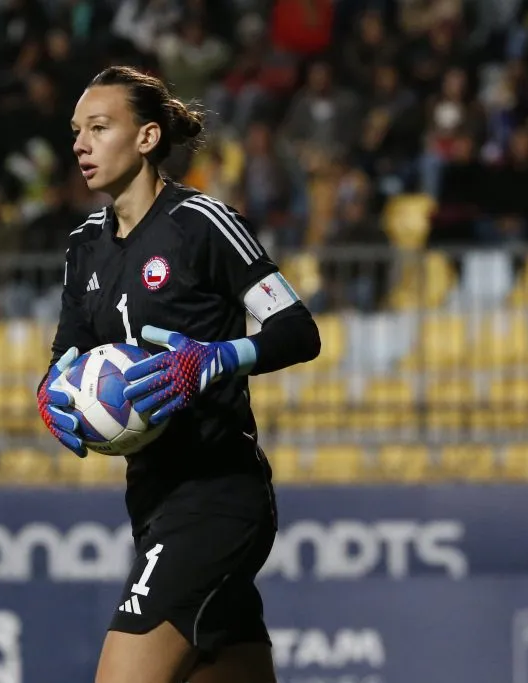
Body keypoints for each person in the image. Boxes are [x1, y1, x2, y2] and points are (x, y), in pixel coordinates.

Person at [36, 66, 321, 683]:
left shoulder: (202, 223)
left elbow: (299, 329)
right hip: (152, 500)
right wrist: (50, 397)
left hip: (219, 493)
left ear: (145, 138)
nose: (80, 144)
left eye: (99, 127)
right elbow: (67, 357)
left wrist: (217, 357)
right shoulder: (84, 244)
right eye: (76, 130)